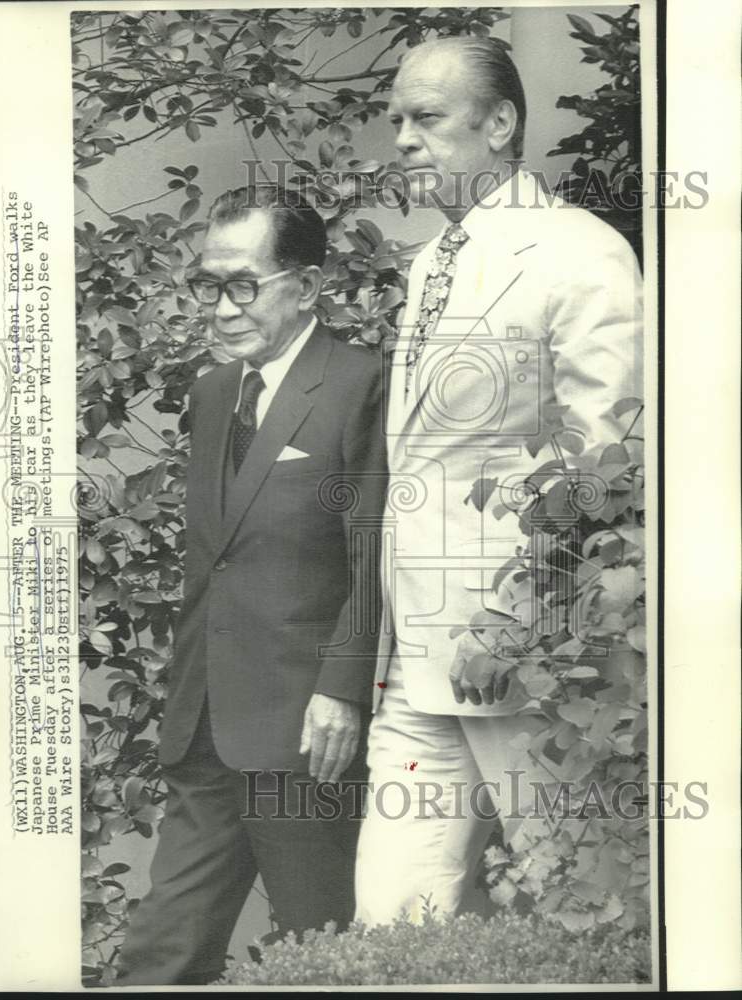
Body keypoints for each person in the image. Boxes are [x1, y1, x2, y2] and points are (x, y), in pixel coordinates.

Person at [354, 36, 643, 925]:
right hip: (414, 659)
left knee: (587, 913)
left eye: (427, 118)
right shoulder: (425, 264)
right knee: (390, 928)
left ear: (502, 123)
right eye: (396, 118)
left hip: (529, 662)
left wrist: (532, 609)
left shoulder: (579, 254)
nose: (401, 137)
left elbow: (612, 463)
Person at [118, 186, 386, 984]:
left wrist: (342, 689)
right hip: (205, 727)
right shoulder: (212, 393)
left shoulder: (360, 385)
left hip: (306, 736)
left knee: (322, 953)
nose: (223, 308)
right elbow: (216, 561)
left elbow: (374, 554)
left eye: (244, 285)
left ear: (304, 287)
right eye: (209, 286)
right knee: (161, 952)